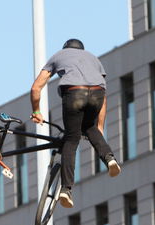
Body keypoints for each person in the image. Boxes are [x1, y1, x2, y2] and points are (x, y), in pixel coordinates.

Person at [30, 39, 121, 208]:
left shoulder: (58, 56)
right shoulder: (94, 59)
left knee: (71, 140)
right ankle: (109, 158)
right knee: (89, 127)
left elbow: (36, 88)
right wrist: (100, 126)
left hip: (74, 93)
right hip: (97, 94)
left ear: (65, 48)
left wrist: (36, 111)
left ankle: (66, 189)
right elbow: (104, 97)